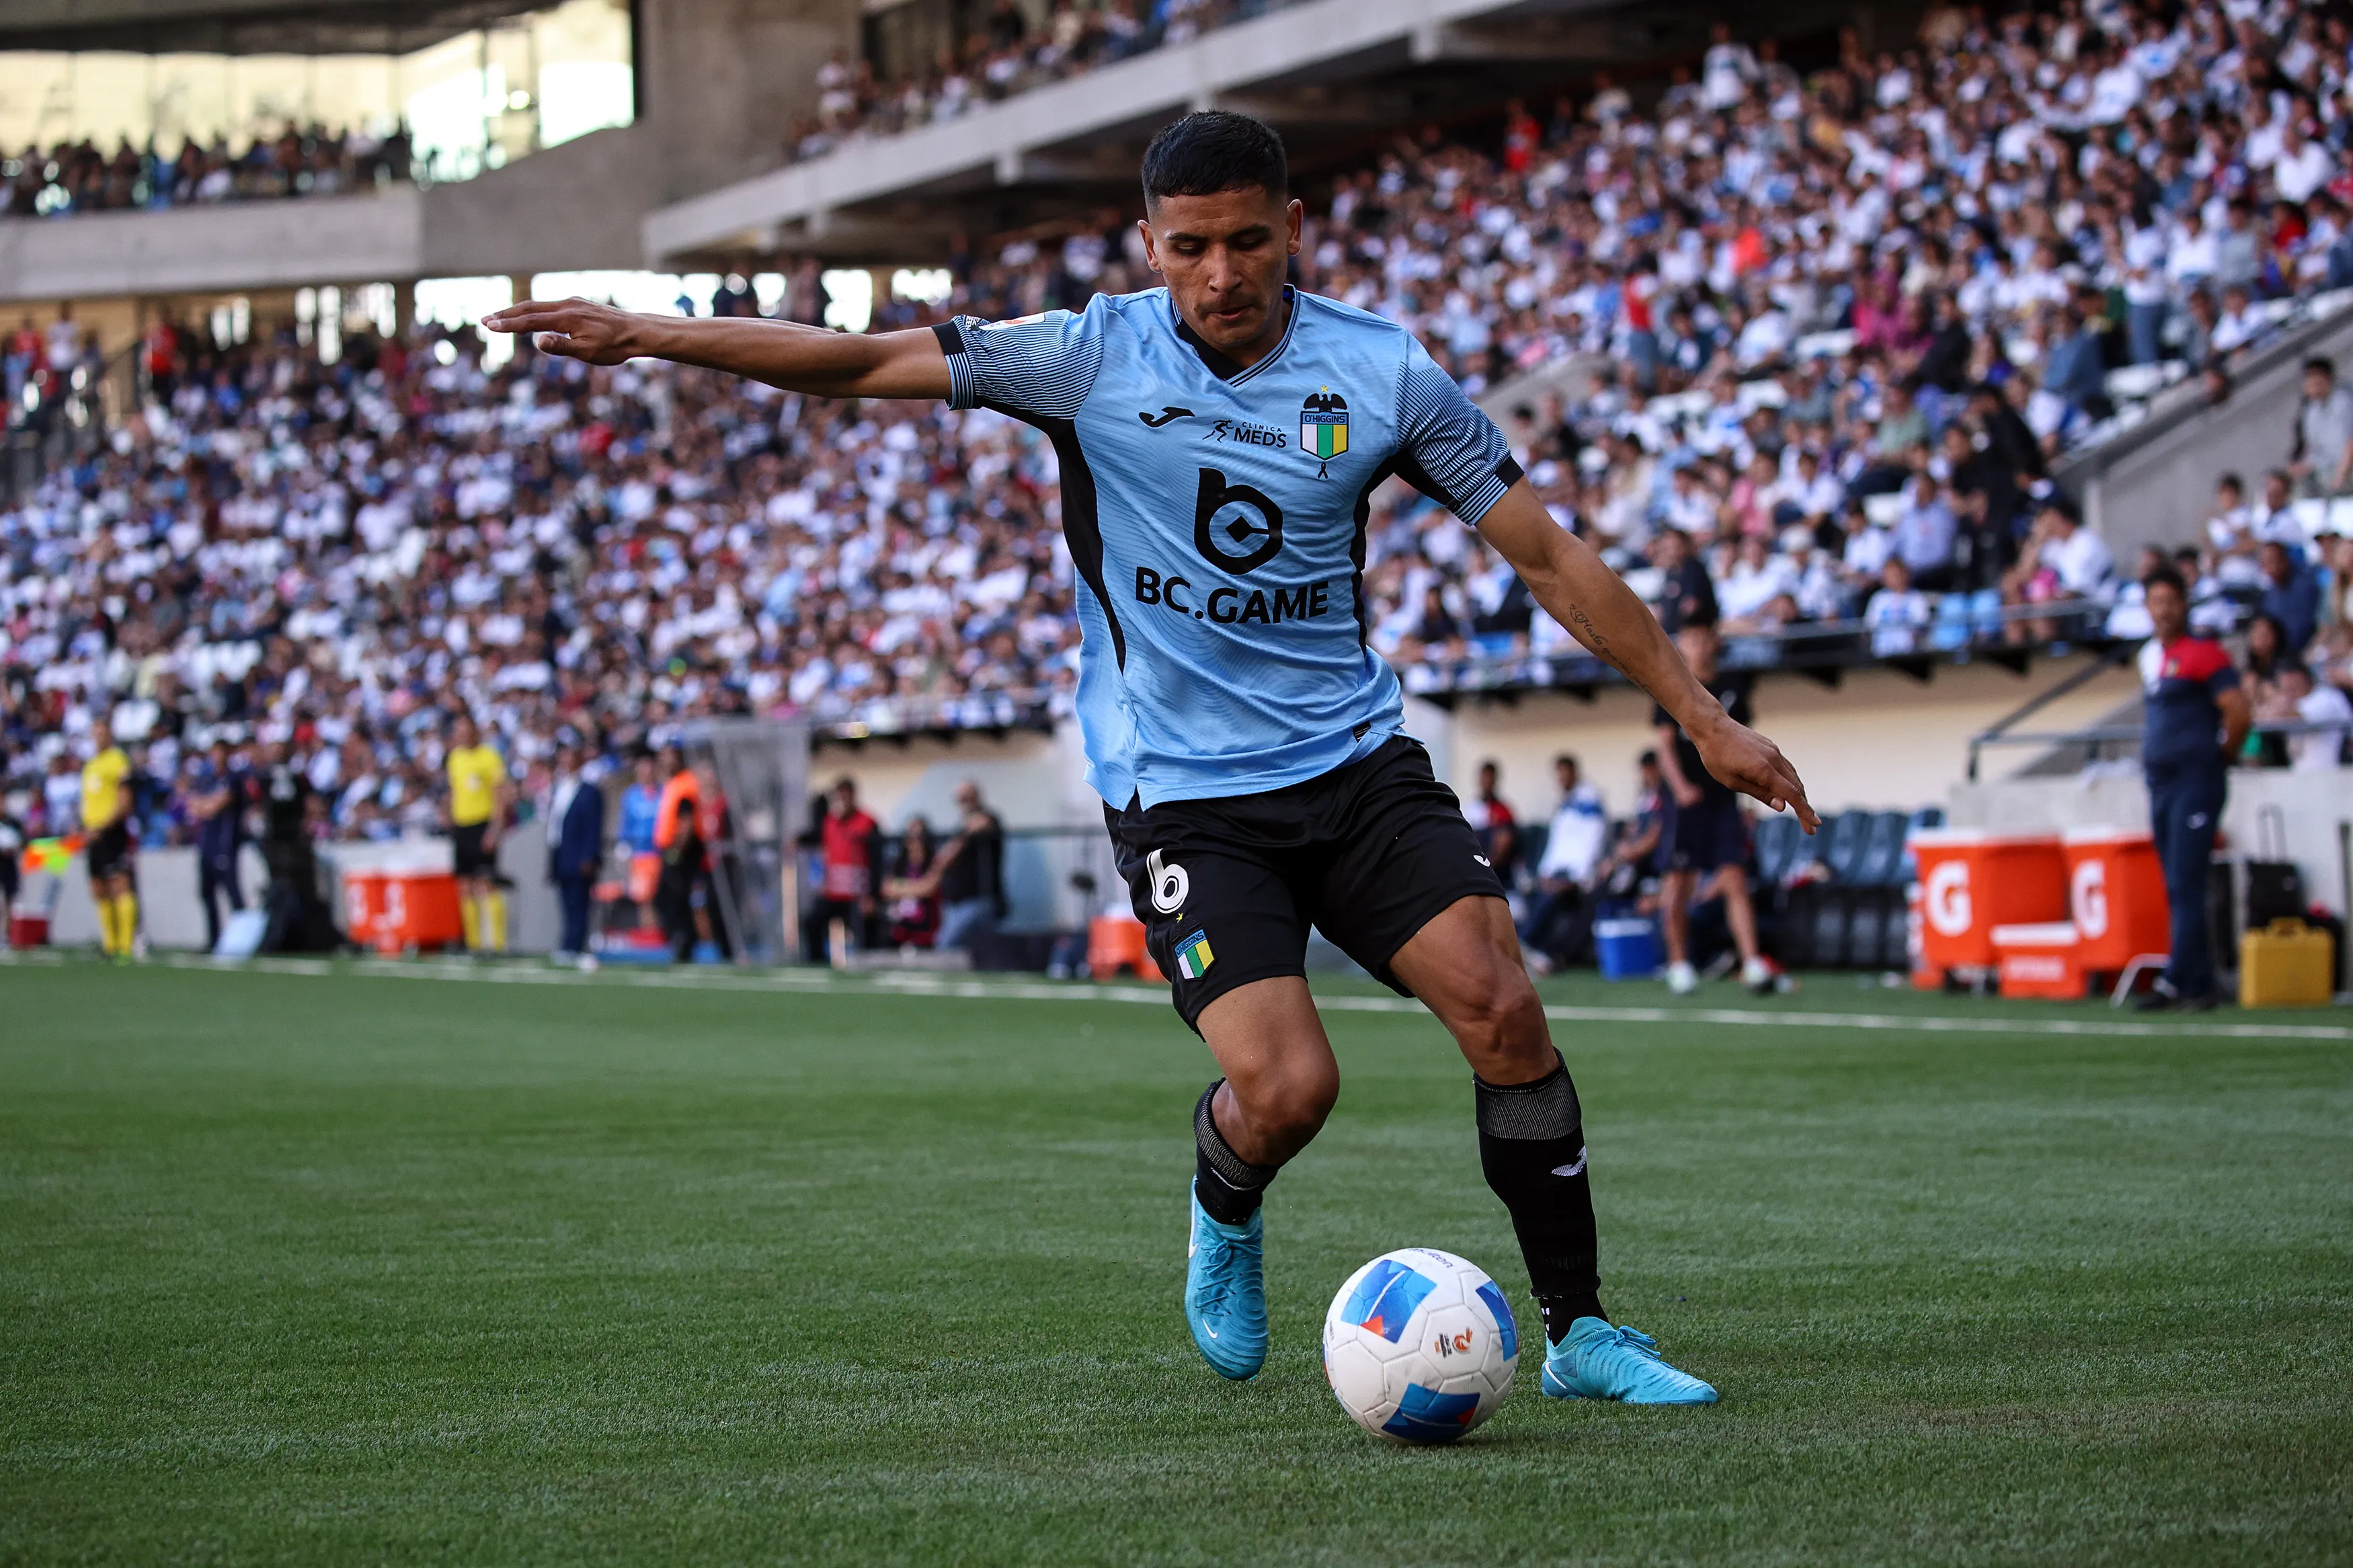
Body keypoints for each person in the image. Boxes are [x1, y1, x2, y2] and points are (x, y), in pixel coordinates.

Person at [485, 110, 1817, 1405]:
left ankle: (1581, 1327)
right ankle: (1224, 1195)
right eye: (1187, 247)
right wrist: (645, 331)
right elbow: (850, 361)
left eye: (1245, 240)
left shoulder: (1385, 373)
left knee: (1504, 1009)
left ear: (1292, 229)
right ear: (1147, 243)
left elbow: (1547, 554)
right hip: (1184, 793)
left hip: (1352, 762)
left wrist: (1699, 716)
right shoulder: (1081, 357)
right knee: (1291, 1086)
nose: (1219, 273)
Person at [2135, 565, 2251, 1012]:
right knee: (2177, 881)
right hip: (2163, 783)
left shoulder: (2204, 654)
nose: (2163, 611)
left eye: (2170, 601)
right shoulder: (2152, 659)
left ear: (2184, 604)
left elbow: (2238, 709)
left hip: (2194, 780)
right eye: (2156, 602)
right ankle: (2197, 980)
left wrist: (2221, 754)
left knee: (2186, 877)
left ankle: (2178, 979)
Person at [1652, 622, 1773, 997]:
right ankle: (1678, 965)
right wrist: (1681, 788)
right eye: (1691, 637)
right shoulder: (1671, 685)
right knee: (1678, 883)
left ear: (1715, 642)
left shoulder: (1732, 687)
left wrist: (1754, 795)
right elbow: (1664, 746)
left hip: (1724, 799)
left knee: (1736, 879)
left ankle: (1752, 962)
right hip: (1687, 803)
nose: (1699, 644)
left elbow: (1746, 745)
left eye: (1705, 637)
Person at [1517, 754, 1607, 975]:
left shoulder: (1589, 799)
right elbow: (1558, 843)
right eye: (1559, 774)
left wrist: (1576, 877)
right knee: (1535, 892)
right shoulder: (1564, 804)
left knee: (1553, 896)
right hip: (1558, 872)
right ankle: (1536, 953)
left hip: (1577, 876)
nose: (1562, 778)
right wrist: (1545, 873)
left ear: (1575, 772)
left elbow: (1592, 840)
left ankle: (1528, 944)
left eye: (1565, 773)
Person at [444, 716, 510, 954]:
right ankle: (474, 944)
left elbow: (500, 795)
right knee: (464, 885)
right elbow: (454, 790)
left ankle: (497, 944)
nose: (462, 737)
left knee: (486, 883)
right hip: (462, 825)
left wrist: (495, 829)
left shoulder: (489, 757)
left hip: (482, 824)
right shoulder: (455, 758)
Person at [80, 719, 138, 962]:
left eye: (102, 732)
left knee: (119, 884)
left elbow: (125, 800)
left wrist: (104, 827)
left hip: (111, 833)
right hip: (92, 834)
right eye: (95, 733)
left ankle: (125, 948)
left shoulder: (118, 761)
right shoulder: (91, 765)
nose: (98, 737)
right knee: (99, 888)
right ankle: (110, 944)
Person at [545, 743, 605, 966]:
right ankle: (568, 943)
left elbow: (593, 827)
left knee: (580, 902)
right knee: (566, 902)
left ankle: (576, 946)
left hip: (580, 857)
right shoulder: (559, 788)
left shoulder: (589, 791)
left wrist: (589, 856)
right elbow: (554, 827)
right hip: (562, 855)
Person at [189, 738, 251, 952]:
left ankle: (244, 940)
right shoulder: (205, 779)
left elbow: (215, 806)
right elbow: (194, 806)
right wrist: (206, 805)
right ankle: (214, 939)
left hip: (225, 844)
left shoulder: (232, 778)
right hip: (206, 843)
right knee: (206, 892)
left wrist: (207, 805)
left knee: (233, 892)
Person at [931, 780, 1005, 955]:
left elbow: (980, 823)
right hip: (956, 902)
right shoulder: (961, 827)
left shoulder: (988, 819)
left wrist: (954, 846)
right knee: (962, 950)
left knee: (945, 946)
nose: (964, 802)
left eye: (967, 797)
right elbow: (942, 860)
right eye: (960, 798)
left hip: (978, 900)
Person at [809, 776, 879, 959]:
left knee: (865, 931)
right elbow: (816, 839)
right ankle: (818, 964)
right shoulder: (830, 822)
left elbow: (876, 859)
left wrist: (872, 894)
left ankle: (867, 963)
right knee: (812, 922)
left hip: (857, 894)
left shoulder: (867, 822)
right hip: (834, 893)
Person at [881, 817, 945, 949]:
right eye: (911, 836)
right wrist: (917, 886)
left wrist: (901, 886)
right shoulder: (899, 863)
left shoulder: (935, 861)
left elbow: (929, 888)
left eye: (920, 836)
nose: (915, 841)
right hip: (901, 926)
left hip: (926, 928)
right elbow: (887, 889)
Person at [1463, 760, 1519, 884]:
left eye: (1490, 778)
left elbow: (1507, 840)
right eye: (1484, 778)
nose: (1487, 782)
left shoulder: (1504, 810)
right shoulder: (1471, 809)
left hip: (1499, 872)